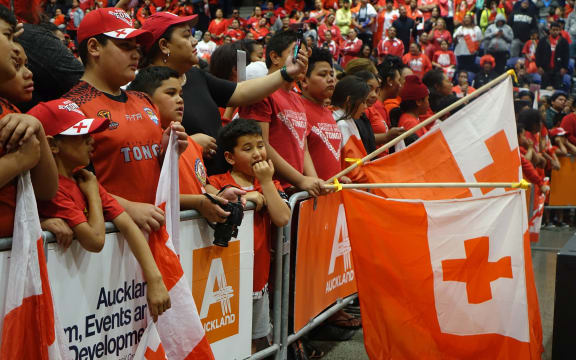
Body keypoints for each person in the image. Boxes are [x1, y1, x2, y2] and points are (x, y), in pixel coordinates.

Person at [32, 99, 171, 321]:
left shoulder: (84, 178)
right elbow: (95, 240)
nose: (91, 141)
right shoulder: (61, 189)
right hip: (66, 307)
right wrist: (94, 195)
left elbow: (126, 223)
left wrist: (155, 279)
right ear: (52, 145)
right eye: (81, 135)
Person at [62, 8, 189, 234]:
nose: (136, 55)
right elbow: (70, 185)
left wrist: (167, 152)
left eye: (136, 48)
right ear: (94, 48)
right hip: (111, 241)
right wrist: (127, 207)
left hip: (158, 233)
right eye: (125, 46)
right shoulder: (71, 108)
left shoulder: (144, 101)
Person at [140, 12, 309, 175]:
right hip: (185, 193)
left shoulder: (196, 76)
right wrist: (192, 144)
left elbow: (241, 92)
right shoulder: (142, 88)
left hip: (218, 188)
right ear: (164, 45)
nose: (194, 42)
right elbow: (145, 149)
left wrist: (286, 72)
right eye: (185, 36)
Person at [206, 119, 290, 353]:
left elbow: (283, 218)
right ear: (230, 157)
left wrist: (264, 183)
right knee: (225, 340)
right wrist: (246, 195)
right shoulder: (218, 181)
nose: (257, 153)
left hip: (256, 277)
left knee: (254, 341)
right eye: (247, 148)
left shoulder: (270, 183)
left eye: (260, 146)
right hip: (223, 278)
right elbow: (207, 192)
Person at [127, 66, 243, 222]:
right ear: (144, 99)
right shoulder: (144, 146)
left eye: (180, 94)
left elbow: (201, 186)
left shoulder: (189, 142)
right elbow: (152, 198)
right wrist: (198, 203)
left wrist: (220, 196)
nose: (180, 99)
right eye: (170, 93)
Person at [239, 30, 325, 196]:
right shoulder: (260, 93)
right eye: (296, 53)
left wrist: (313, 180)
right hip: (273, 191)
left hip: (297, 190)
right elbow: (262, 144)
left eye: (305, 56)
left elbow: (303, 149)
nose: (303, 61)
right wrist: (300, 180)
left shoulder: (298, 99)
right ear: (275, 57)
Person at [0, 4, 58, 238]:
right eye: (8, 36)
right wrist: (18, 161)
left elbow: (46, 191)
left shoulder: (10, 109)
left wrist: (38, 130)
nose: (17, 48)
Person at [301, 47, 342, 180]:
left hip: (331, 196)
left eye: (331, 74)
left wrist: (338, 177)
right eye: (323, 75)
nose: (330, 79)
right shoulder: (298, 108)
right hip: (309, 196)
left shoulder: (328, 111)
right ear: (304, 81)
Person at [332, 75, 371, 182]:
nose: (366, 107)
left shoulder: (348, 120)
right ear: (349, 100)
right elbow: (352, 166)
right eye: (363, 102)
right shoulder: (341, 124)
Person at [536, 22, 570, 91]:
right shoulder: (543, 41)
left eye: (557, 30)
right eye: (553, 30)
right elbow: (538, 54)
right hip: (545, 69)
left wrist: (564, 67)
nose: (555, 32)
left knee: (557, 89)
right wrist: (538, 66)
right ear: (550, 30)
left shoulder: (564, 42)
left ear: (560, 30)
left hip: (558, 69)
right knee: (544, 89)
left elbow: (566, 55)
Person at [397, 75, 430, 140]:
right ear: (418, 101)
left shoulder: (413, 119)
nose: (429, 103)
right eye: (427, 99)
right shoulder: (410, 123)